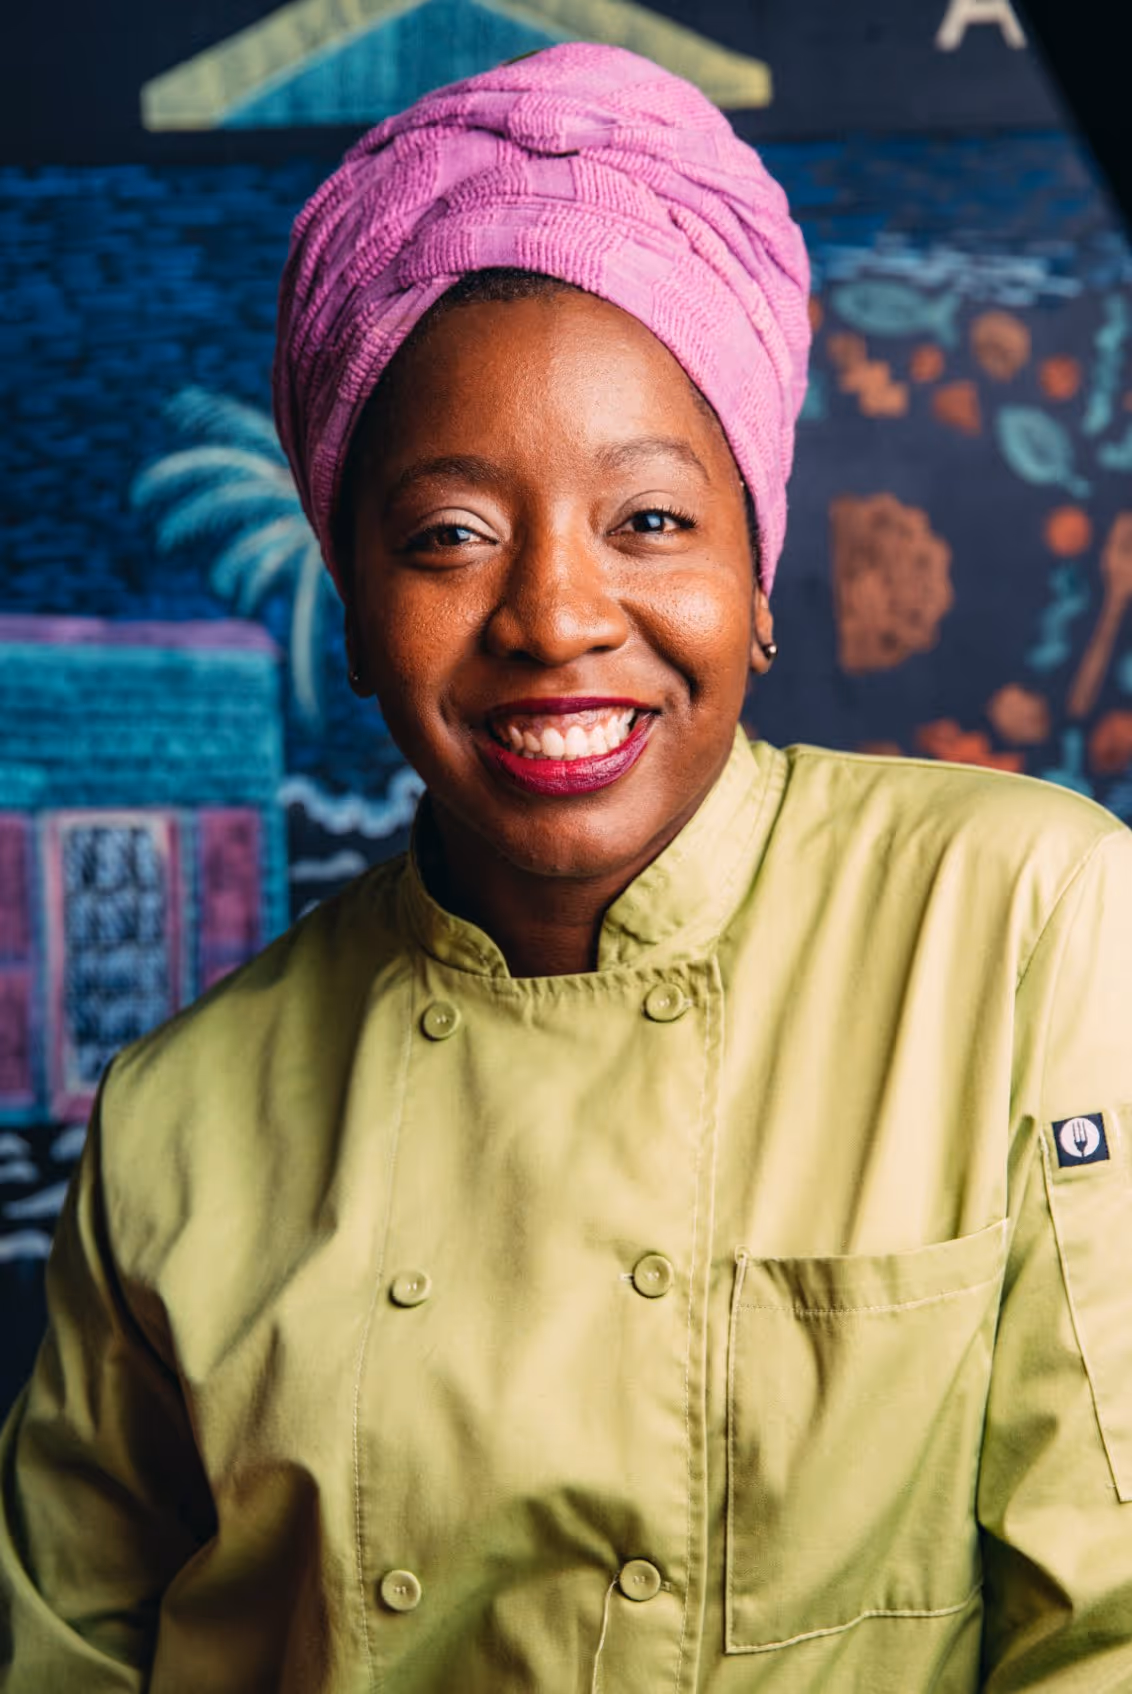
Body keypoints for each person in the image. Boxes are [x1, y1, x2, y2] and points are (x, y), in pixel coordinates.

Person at [2, 40, 1131, 1694]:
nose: (552, 617)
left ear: (757, 571)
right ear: (353, 607)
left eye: (650, 521)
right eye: (450, 536)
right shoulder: (180, 1119)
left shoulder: (1024, 922)